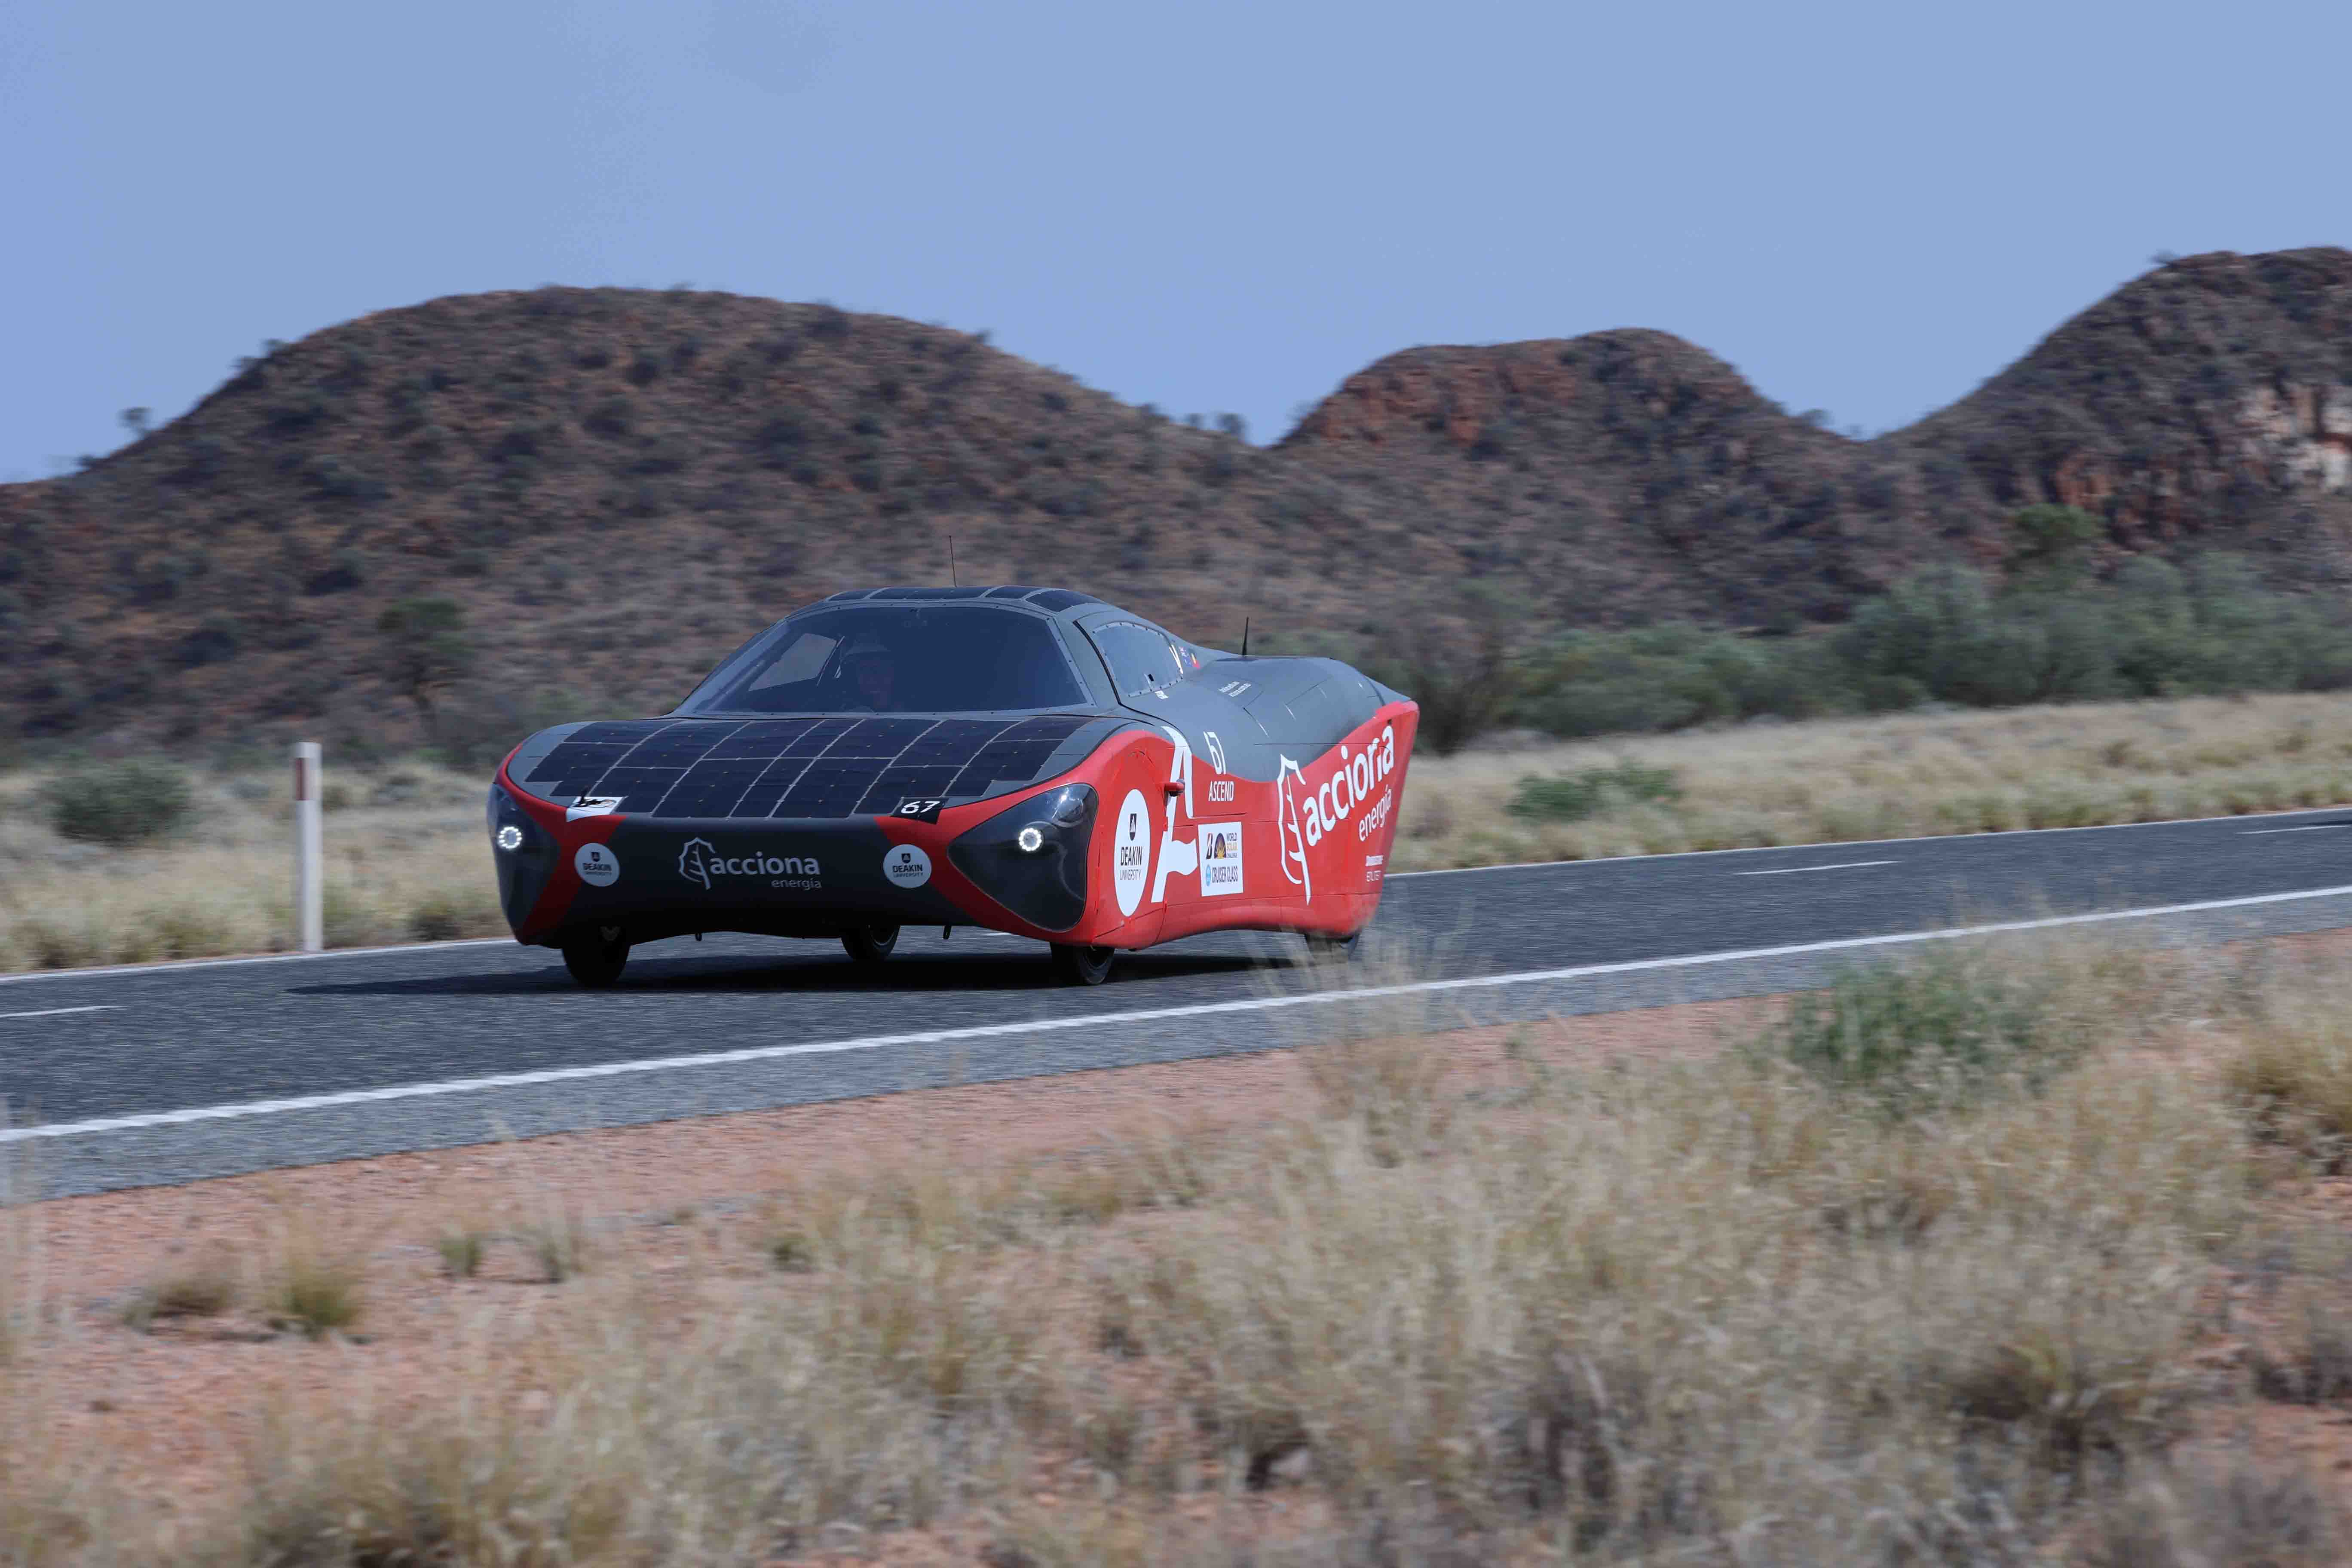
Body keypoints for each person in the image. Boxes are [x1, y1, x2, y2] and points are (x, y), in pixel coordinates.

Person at [839, 632, 897, 711]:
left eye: (876, 669)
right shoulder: (847, 710)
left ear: (892, 671)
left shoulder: (911, 714)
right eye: (862, 669)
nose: (870, 678)